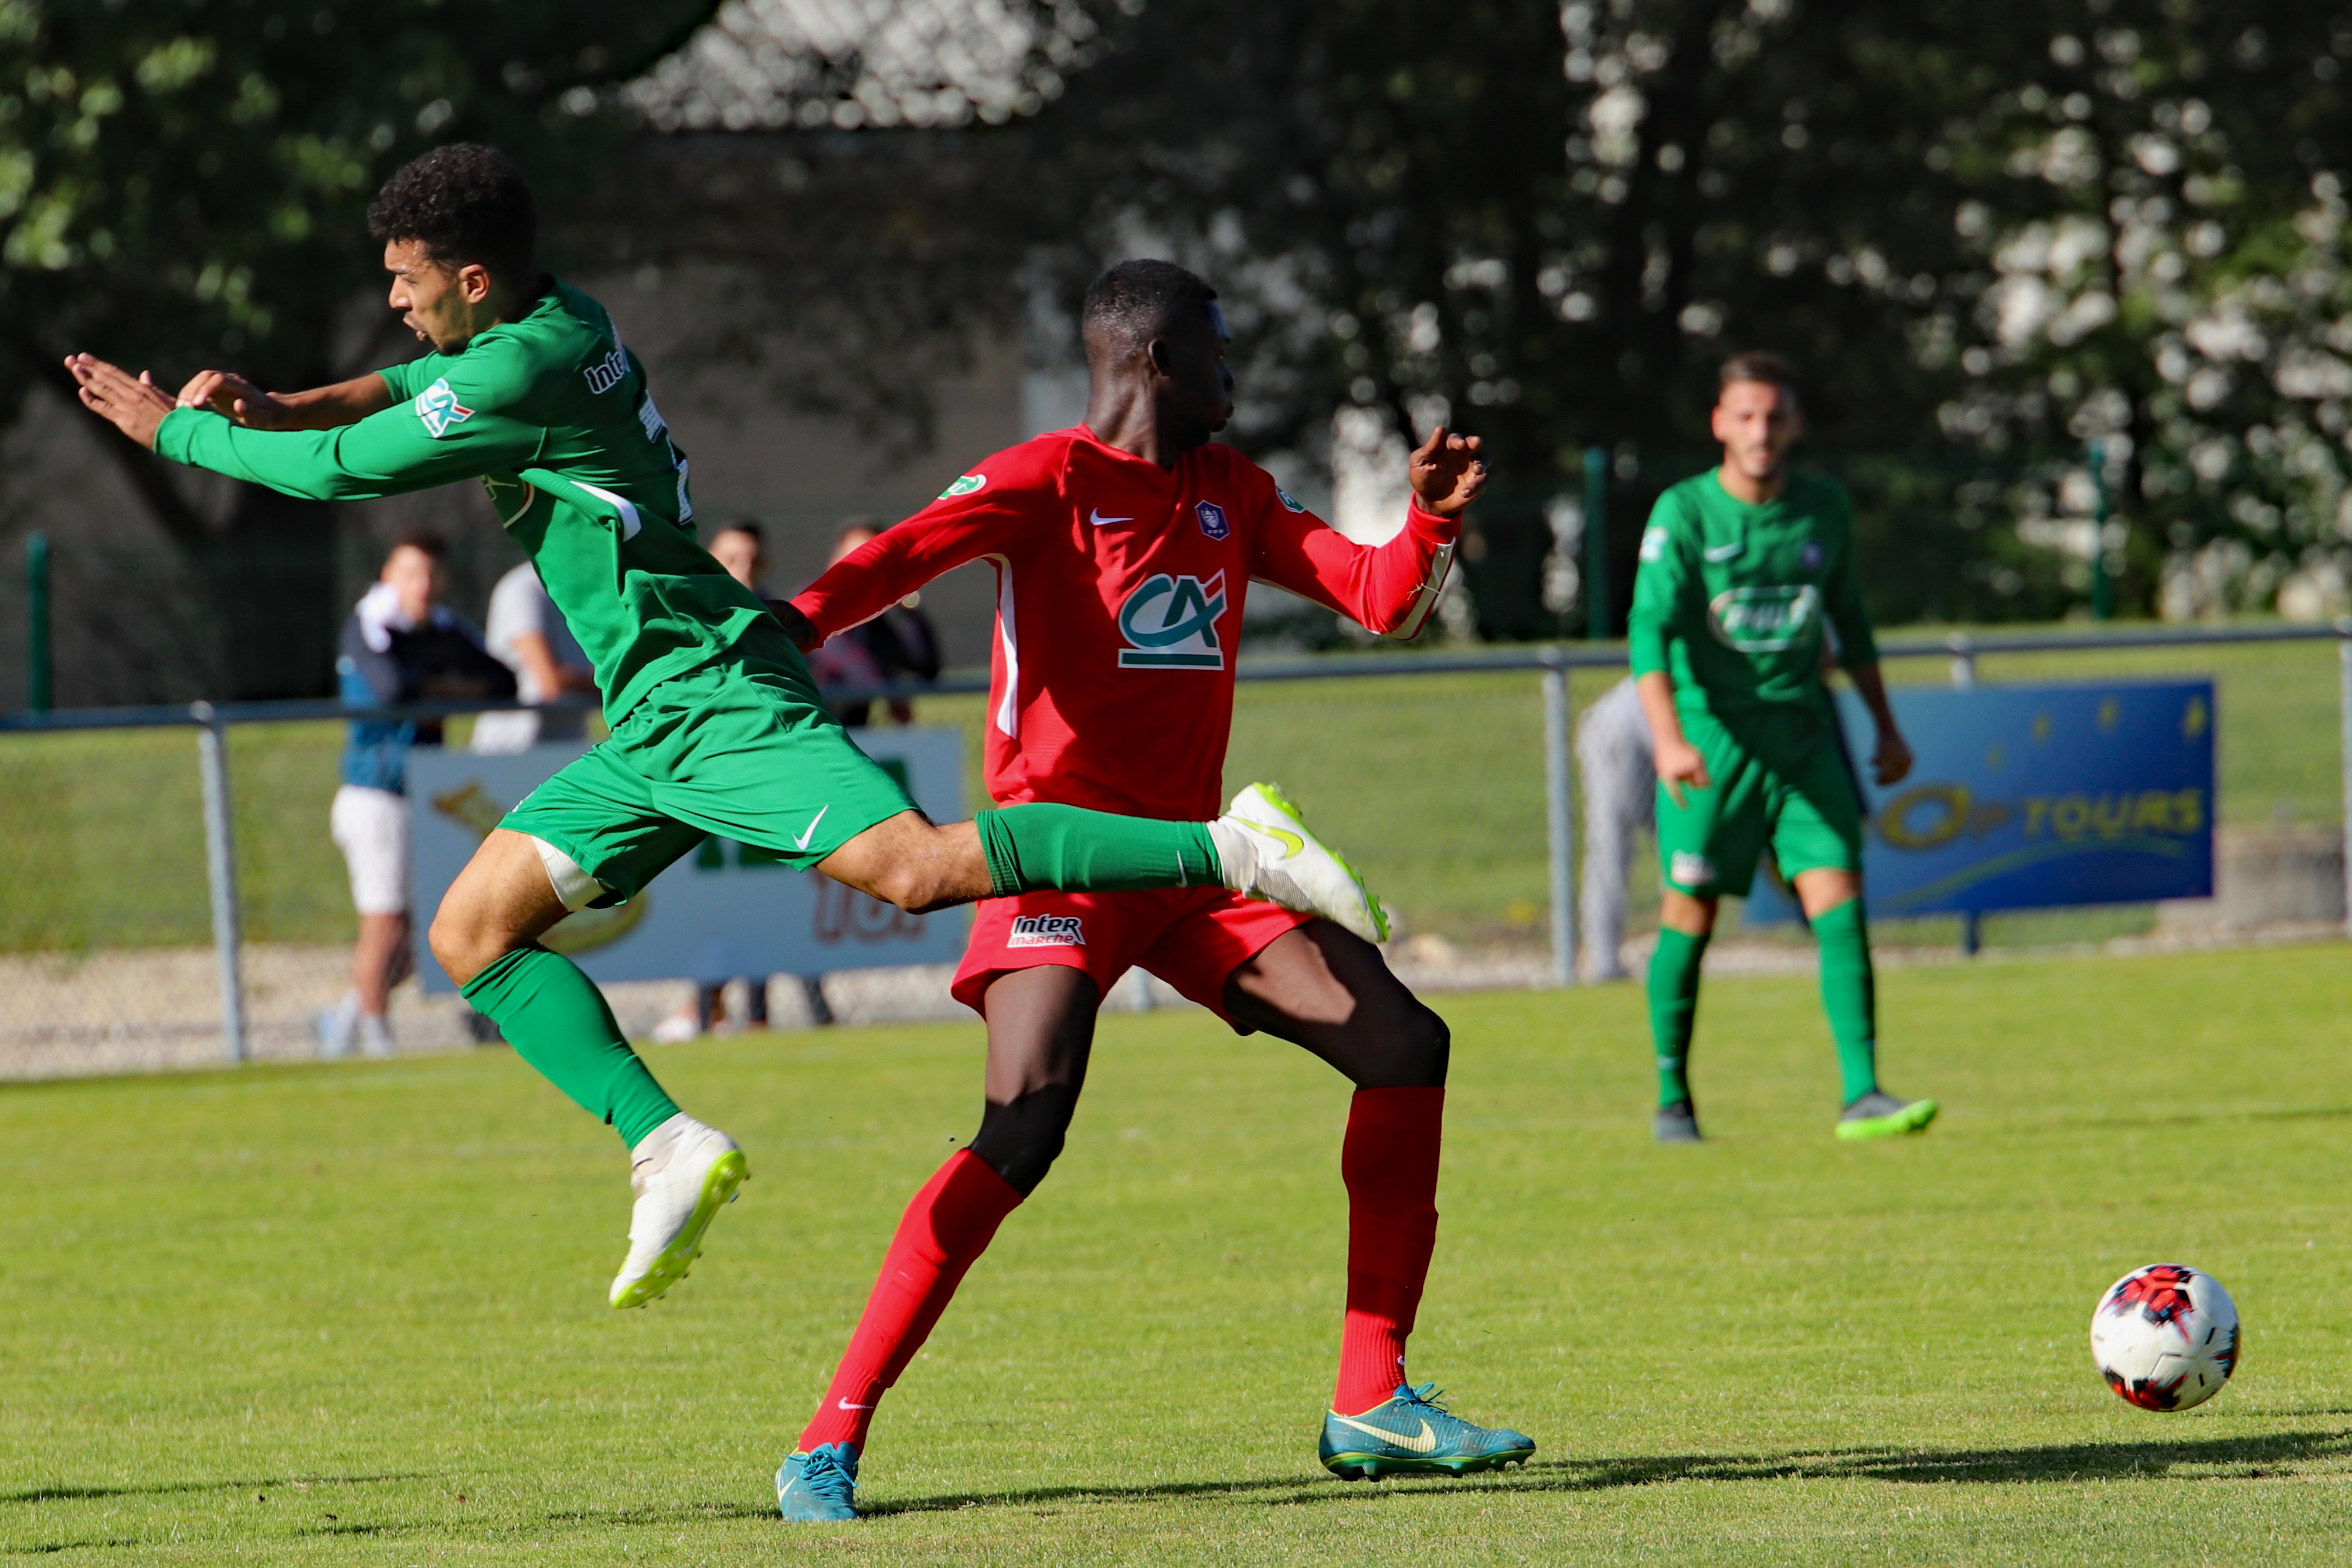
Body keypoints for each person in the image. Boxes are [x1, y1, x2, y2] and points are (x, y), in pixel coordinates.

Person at [69, 145, 1390, 1318]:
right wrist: (290, 402)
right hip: (653, 718)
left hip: (710, 691)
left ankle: (1229, 849)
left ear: (471, 279)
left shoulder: (520, 366)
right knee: (469, 933)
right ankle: (666, 1144)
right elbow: (413, 382)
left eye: (408, 280)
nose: (397, 302)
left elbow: (336, 476)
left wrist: (173, 430)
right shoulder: (559, 321)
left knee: (917, 868)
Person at [763, 260, 1532, 1524]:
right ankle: (827, 1440)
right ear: (1155, 361)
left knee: (1404, 1044)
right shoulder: (1044, 479)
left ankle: (1371, 1395)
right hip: (1057, 858)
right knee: (1024, 1124)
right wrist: (779, 627)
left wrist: (1428, 522)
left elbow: (1378, 597)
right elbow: (892, 562)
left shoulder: (1232, 490)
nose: (1236, 373)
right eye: (1219, 350)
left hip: (1192, 862)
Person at [1627, 351, 1936, 1145]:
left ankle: (1862, 1093)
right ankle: (1672, 1098)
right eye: (1746, 415)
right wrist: (1667, 739)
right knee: (1690, 911)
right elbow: (1648, 628)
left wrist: (1885, 724)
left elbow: (1851, 622)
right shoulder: (1684, 511)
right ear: (1720, 424)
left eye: (1774, 416)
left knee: (1840, 897)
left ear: (1794, 424)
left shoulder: (1822, 508)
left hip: (1804, 735)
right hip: (1713, 742)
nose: (1760, 430)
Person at [321, 531, 516, 1057]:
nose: (422, 585)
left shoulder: (444, 629)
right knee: (384, 920)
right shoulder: (372, 624)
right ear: (389, 575)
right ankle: (375, 1035)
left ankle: (346, 1017)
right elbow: (393, 690)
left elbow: (503, 682)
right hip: (376, 794)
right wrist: (448, 687)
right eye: (411, 573)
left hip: (424, 793)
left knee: (425, 932)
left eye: (430, 574)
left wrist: (437, 687)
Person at [803, 519, 940, 726]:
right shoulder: (810, 602)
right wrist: (888, 691)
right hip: (808, 730)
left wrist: (908, 603)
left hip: (854, 731)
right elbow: (845, 661)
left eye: (879, 562)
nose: (868, 569)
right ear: (834, 562)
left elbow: (925, 666)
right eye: (859, 559)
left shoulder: (875, 623)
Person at [471, 560, 596, 754]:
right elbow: (550, 684)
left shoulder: (587, 589)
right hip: (512, 751)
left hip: (565, 749)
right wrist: (620, 683)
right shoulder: (523, 588)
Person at [1575, 676, 1654, 982]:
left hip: (1634, 727)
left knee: (1677, 852)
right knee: (1610, 849)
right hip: (1621, 728)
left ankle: (1678, 951)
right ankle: (1603, 960)